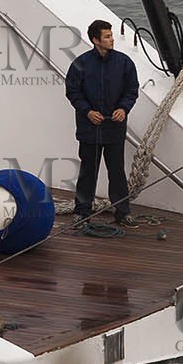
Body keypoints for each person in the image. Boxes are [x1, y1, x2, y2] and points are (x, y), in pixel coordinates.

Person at [64, 20, 139, 224]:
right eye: (107, 36)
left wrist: (123, 108)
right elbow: (72, 91)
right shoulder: (80, 64)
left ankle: (123, 212)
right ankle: (82, 212)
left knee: (117, 171)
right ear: (96, 40)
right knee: (88, 171)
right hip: (90, 128)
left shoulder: (124, 63)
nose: (112, 39)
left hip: (114, 128)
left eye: (111, 35)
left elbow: (132, 90)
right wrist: (87, 112)